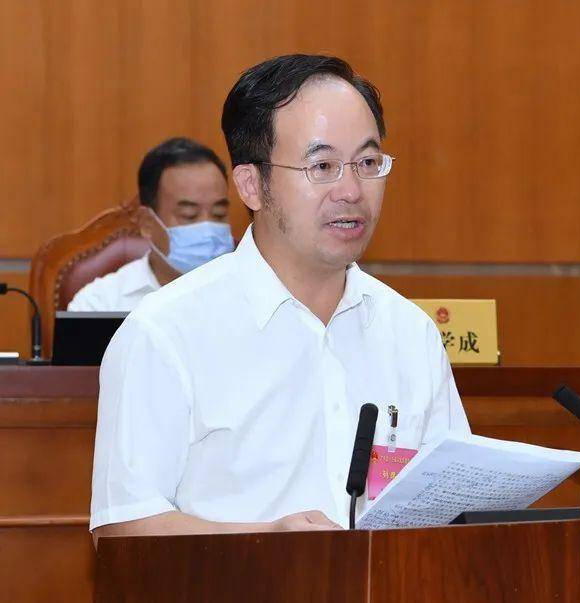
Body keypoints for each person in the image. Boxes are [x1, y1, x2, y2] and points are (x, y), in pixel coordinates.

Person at [90, 54, 470, 540]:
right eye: (323, 166)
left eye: (367, 163)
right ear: (252, 185)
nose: (352, 190)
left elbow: (455, 509)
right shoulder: (165, 333)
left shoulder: (411, 333)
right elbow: (121, 529)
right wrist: (270, 540)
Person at [67, 137, 234, 311]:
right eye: (189, 215)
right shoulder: (100, 304)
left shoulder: (250, 292)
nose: (208, 230)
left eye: (219, 214)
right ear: (147, 223)